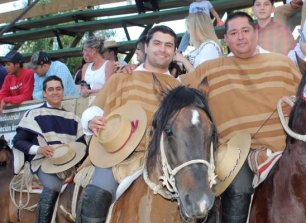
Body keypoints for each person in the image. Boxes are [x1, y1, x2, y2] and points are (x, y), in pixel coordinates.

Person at [181, 11, 306, 223]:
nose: (240, 36)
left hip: (285, 149)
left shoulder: (283, 64)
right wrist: (136, 70)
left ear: (256, 32)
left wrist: (295, 108)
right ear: (226, 39)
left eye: (245, 30)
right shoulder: (210, 70)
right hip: (236, 154)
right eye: (233, 32)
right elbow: (175, 90)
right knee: (238, 189)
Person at [76, 25, 180, 223]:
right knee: (97, 194)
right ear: (146, 47)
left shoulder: (180, 87)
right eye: (157, 43)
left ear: (174, 52)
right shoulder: (120, 79)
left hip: (164, 160)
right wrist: (91, 120)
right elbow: (95, 109)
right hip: (118, 156)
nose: (162, 49)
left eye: (169, 45)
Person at [12, 75, 86, 223]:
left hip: (69, 164)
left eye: (58, 88)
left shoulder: (73, 118)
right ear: (44, 93)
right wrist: (38, 149)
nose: (55, 92)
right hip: (43, 163)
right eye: (50, 89)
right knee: (53, 185)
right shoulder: (34, 114)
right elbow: (18, 141)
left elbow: (82, 146)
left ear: (63, 91)